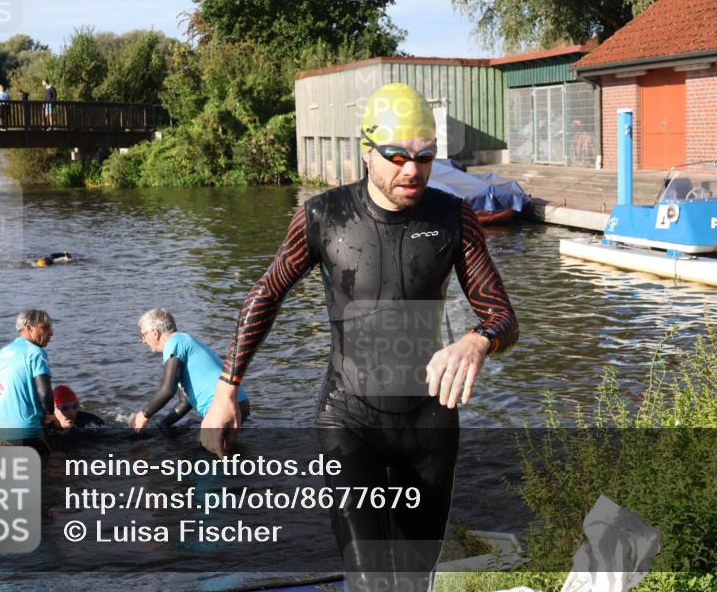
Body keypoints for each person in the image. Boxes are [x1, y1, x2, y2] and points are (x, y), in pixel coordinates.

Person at [203, 82, 518, 590]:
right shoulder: (324, 216)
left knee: (415, 582)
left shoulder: (452, 217)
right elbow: (268, 292)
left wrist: (477, 341)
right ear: (366, 152)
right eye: (396, 156)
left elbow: (502, 315)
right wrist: (226, 388)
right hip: (348, 418)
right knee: (369, 580)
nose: (411, 170)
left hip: (428, 422)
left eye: (425, 156)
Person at [131, 309, 249, 437]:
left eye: (143, 335)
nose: (143, 340)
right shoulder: (184, 341)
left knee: (204, 454)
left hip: (222, 408)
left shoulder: (173, 342)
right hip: (239, 403)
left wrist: (143, 415)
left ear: (155, 333)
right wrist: (162, 425)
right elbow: (185, 402)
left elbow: (167, 390)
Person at [0, 309, 56, 451]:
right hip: (25, 432)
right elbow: (44, 392)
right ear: (29, 328)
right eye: (45, 327)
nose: (51, 333)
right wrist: (50, 415)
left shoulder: (2, 353)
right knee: (53, 468)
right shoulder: (36, 353)